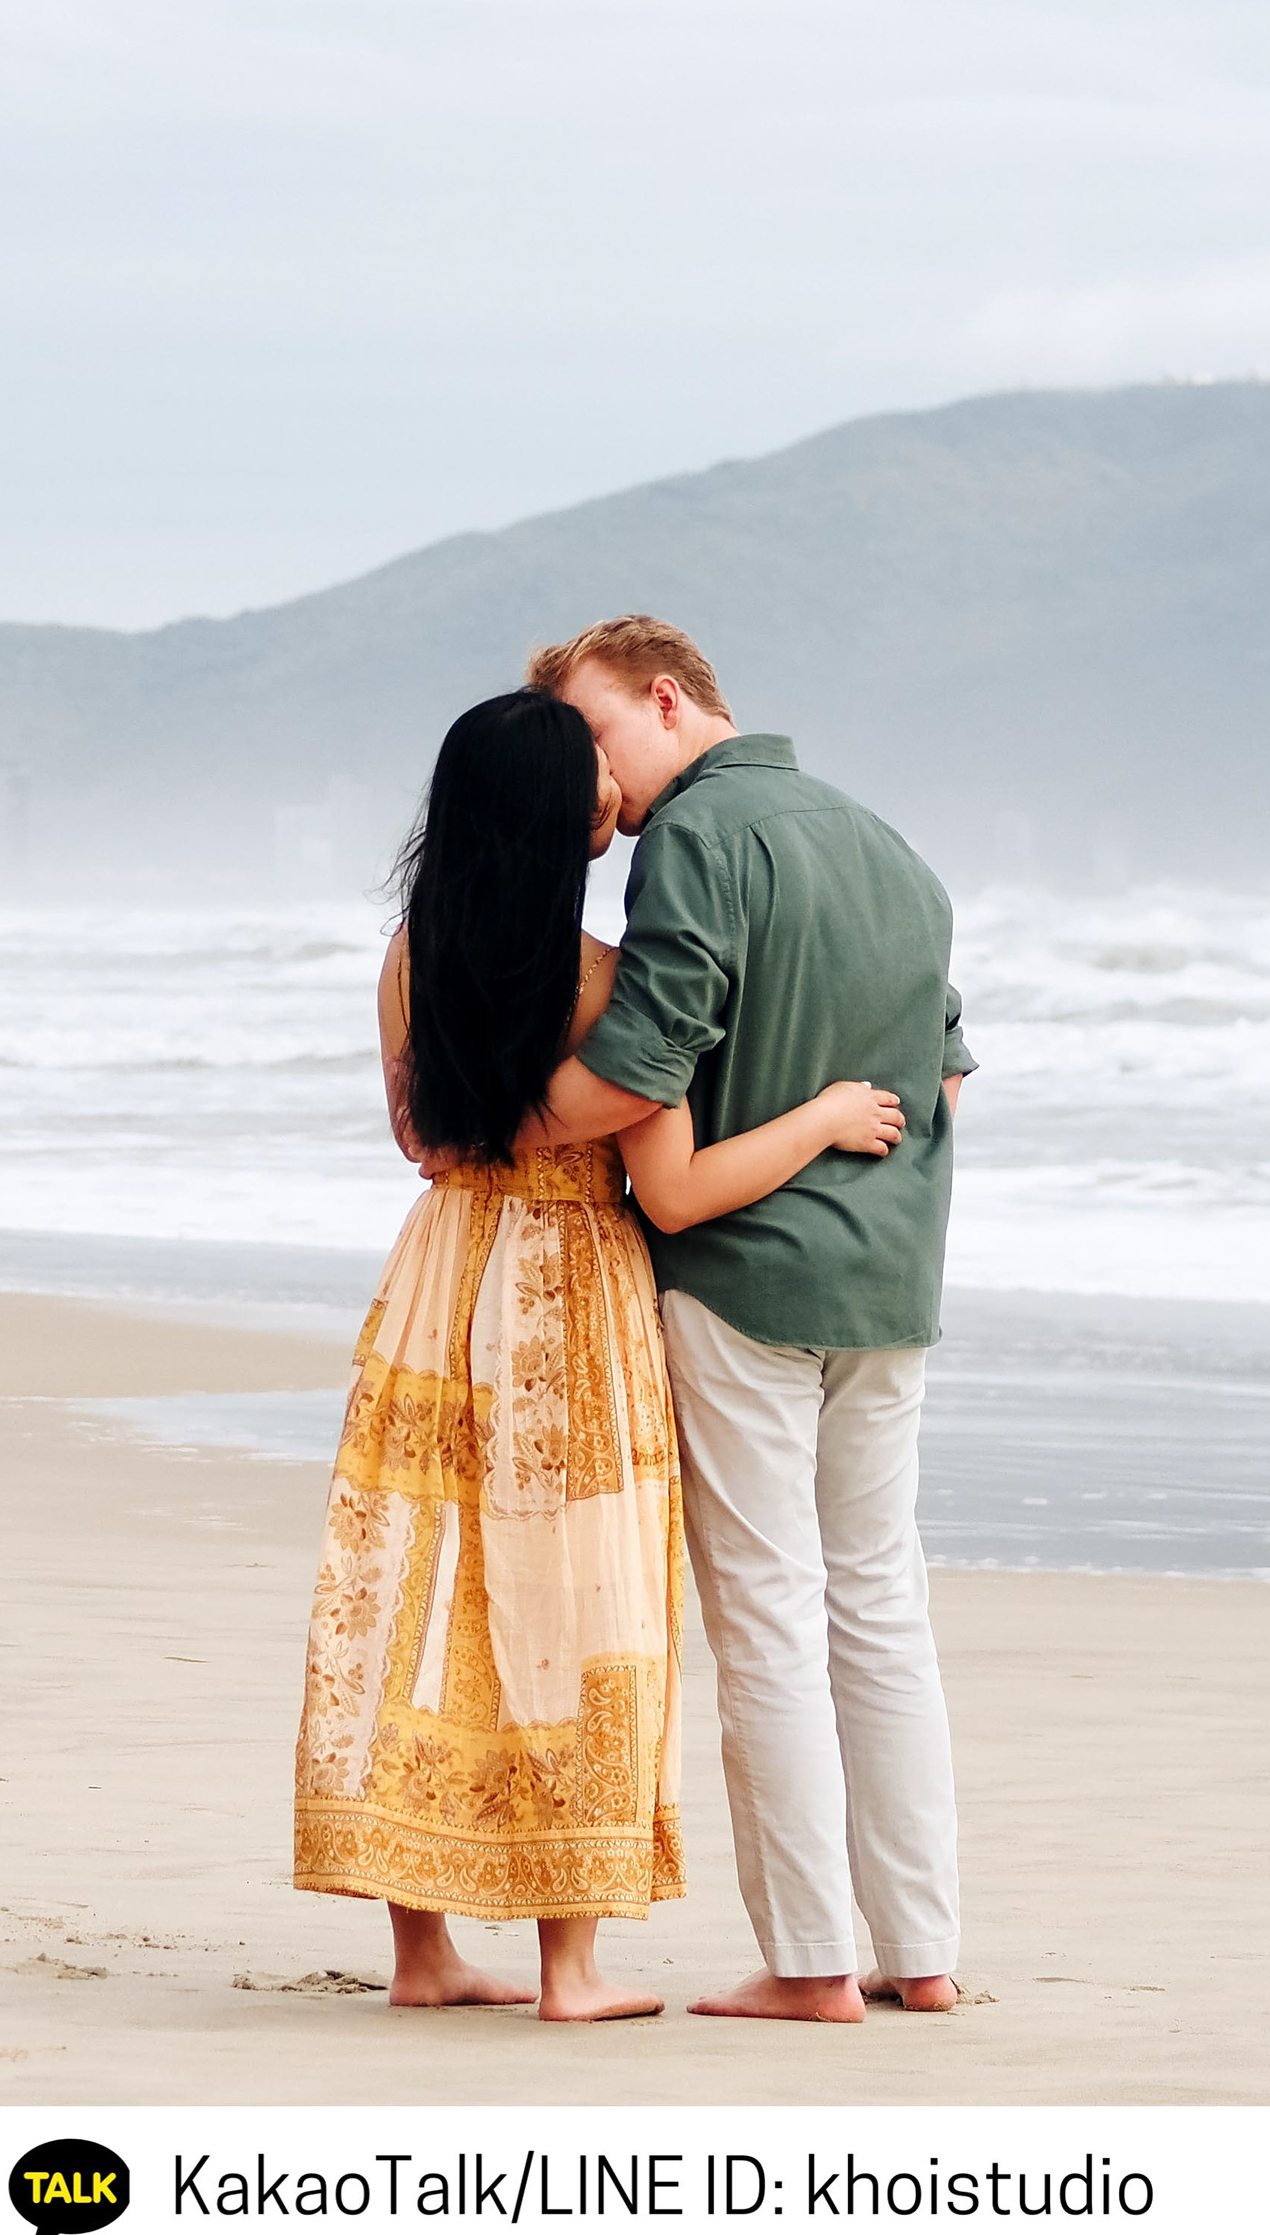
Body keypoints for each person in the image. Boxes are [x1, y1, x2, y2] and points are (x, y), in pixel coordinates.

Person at [293, 687, 908, 2023]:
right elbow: (674, 1183)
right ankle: (571, 1967)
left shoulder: (408, 953)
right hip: (574, 1287)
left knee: (427, 1590)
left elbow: (421, 1140)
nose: (612, 802)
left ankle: (425, 1954)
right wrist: (819, 1117)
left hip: (441, 1276)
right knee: (581, 1600)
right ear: (558, 816)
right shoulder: (606, 983)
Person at [514, 614, 975, 2024]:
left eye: (593, 734)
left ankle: (811, 1966)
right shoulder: (884, 840)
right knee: (882, 1610)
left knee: (771, 1617)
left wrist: (490, 1120)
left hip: (748, 1278)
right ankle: (925, 1953)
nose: (593, 784)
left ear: (667, 697)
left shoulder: (695, 844)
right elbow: (948, 1077)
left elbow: (641, 1068)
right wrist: (841, 1129)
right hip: (892, 1281)